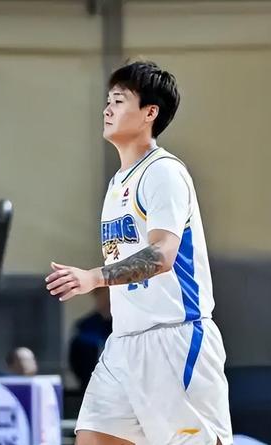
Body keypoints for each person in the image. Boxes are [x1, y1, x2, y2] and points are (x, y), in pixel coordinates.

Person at [46, 61, 231, 445]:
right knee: (92, 438)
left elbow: (162, 254)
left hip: (174, 338)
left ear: (150, 113)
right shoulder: (118, 182)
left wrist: (93, 277)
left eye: (118, 100)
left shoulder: (164, 172)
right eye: (107, 101)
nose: (107, 109)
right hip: (124, 342)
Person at [69, 287, 112, 390]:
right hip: (89, 384)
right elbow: (75, 358)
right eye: (101, 295)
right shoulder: (85, 326)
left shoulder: (122, 326)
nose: (105, 299)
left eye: (108, 295)